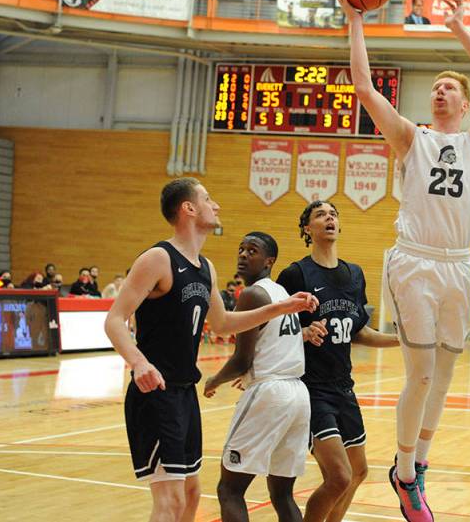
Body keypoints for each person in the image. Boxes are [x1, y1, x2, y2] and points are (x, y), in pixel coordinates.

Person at [343, 0, 470, 520]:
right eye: (434, 88)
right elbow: (365, 88)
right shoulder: (412, 139)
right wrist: (355, 20)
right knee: (420, 374)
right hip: (414, 259)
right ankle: (405, 471)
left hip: (459, 263)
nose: (440, 93)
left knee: (447, 375)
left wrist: (459, 28)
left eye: (449, 89)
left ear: (463, 104)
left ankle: (419, 465)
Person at [104, 179, 318, 522]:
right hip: (155, 392)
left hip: (184, 394)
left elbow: (222, 324)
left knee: (190, 496)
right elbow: (115, 320)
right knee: (170, 501)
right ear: (188, 209)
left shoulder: (206, 268)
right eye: (207, 199)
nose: (215, 205)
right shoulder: (159, 258)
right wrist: (139, 362)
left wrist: (282, 308)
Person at [276, 200, 400, 522]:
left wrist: (404, 341)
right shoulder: (295, 274)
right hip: (310, 389)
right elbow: (272, 326)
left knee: (359, 472)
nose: (329, 218)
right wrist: (302, 331)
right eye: (320, 215)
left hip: (344, 388)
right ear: (308, 228)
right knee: (340, 476)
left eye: (333, 214)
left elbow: (358, 332)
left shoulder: (354, 274)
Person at [204, 232, 316, 522]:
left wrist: (214, 379)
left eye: (251, 250)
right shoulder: (280, 293)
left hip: (270, 393)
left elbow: (243, 360)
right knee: (282, 495)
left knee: (230, 490)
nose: (243, 254)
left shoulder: (253, 295)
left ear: (269, 261)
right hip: (298, 397)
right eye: (240, 249)